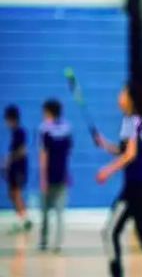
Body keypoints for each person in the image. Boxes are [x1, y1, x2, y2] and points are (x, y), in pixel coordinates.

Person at [96, 86, 142, 277]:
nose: (119, 97)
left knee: (109, 232)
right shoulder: (141, 121)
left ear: (131, 98)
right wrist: (105, 144)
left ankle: (116, 273)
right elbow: (125, 150)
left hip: (134, 189)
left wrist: (107, 171)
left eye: (123, 93)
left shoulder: (130, 121)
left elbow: (130, 154)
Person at [39, 99, 72, 252]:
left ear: (49, 112)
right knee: (59, 213)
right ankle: (57, 244)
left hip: (50, 177)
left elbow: (43, 155)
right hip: (62, 176)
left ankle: (44, 241)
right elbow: (67, 154)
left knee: (45, 212)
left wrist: (43, 178)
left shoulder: (44, 129)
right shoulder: (67, 128)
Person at [2, 105, 32, 233]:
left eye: (6, 120)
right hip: (14, 169)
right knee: (12, 194)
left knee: (16, 193)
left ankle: (23, 221)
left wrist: (9, 158)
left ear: (11, 119)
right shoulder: (15, 132)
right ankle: (23, 219)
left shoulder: (20, 132)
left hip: (19, 169)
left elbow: (23, 150)